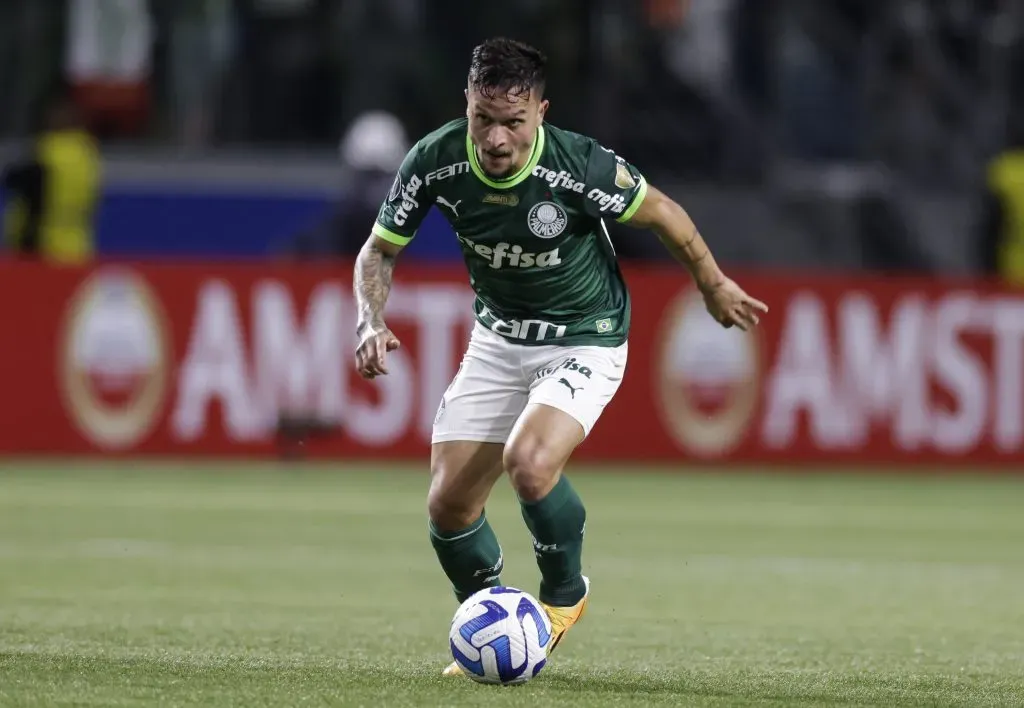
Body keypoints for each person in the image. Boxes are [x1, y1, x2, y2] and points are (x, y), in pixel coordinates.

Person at [352, 38, 767, 675]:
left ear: (541, 112)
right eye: (482, 120)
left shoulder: (578, 166)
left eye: (513, 123)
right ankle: (493, 626)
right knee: (448, 508)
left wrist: (712, 284)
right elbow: (380, 250)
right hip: (498, 340)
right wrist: (370, 319)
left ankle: (563, 598)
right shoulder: (433, 161)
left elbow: (664, 214)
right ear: (466, 104)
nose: (495, 140)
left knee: (529, 461)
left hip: (585, 336)